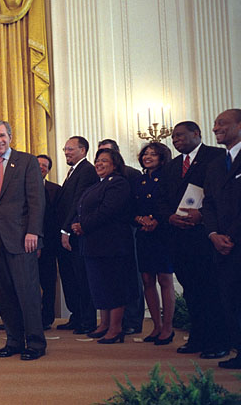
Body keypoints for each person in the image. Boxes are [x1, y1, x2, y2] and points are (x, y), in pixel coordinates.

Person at [0, 120, 46, 360]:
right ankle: (13, 341)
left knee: (27, 292)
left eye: (2, 136)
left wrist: (33, 231)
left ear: (10, 136)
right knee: (4, 294)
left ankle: (35, 343)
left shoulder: (26, 162)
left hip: (22, 238)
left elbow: (36, 200)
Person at [156, 121, 229, 359]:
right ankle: (197, 338)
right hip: (179, 239)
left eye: (180, 136)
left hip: (207, 236)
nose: (176, 140)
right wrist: (169, 217)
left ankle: (218, 342)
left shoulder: (217, 156)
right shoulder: (173, 166)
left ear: (196, 134)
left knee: (211, 291)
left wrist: (203, 216)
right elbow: (163, 198)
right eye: (174, 137)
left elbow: (224, 194)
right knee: (191, 291)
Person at [71, 148, 135, 344]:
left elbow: (107, 211)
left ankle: (116, 328)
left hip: (112, 244)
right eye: (97, 160)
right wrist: (77, 223)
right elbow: (82, 208)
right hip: (94, 245)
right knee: (100, 286)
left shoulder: (118, 183)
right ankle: (104, 323)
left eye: (104, 161)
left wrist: (83, 225)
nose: (98, 164)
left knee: (114, 286)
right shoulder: (96, 185)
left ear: (114, 164)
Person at [203, 109, 241, 369]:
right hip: (221, 245)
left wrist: (231, 234)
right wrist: (214, 234)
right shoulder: (216, 164)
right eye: (215, 123)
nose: (215, 127)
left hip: (236, 240)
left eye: (222, 123)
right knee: (230, 300)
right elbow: (209, 204)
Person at [97, 139, 144, 336]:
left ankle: (132, 320)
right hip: (104, 236)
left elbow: (136, 202)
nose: (101, 160)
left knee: (130, 277)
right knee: (109, 280)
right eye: (99, 155)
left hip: (127, 231)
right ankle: (110, 322)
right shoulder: (98, 177)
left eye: (106, 154)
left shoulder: (131, 174)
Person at [131, 143, 175, 345]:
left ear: (162, 157)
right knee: (147, 280)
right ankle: (156, 326)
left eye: (153, 154)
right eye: (145, 154)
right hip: (143, 235)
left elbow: (172, 203)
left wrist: (156, 220)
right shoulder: (139, 180)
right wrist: (140, 219)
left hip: (163, 233)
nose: (148, 157)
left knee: (165, 280)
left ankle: (168, 328)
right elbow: (130, 207)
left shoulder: (168, 177)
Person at [55, 136, 98, 334]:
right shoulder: (74, 172)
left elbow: (78, 203)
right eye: (65, 149)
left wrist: (65, 230)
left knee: (82, 278)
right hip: (67, 233)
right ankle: (77, 316)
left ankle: (87, 320)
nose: (66, 152)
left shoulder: (87, 170)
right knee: (71, 278)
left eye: (70, 149)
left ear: (83, 150)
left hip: (74, 234)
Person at [36, 154, 61, 330]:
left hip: (50, 246)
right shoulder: (21, 188)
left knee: (48, 283)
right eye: (38, 164)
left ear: (48, 170)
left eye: (45, 166)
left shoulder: (56, 190)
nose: (41, 168)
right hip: (26, 245)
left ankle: (47, 319)